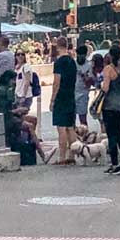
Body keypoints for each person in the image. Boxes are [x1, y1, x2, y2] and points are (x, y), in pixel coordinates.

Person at [101, 43, 120, 174]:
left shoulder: (108, 69)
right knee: (119, 133)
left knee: (111, 134)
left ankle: (115, 164)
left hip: (110, 105)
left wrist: (102, 84)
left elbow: (106, 88)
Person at [49, 36, 78, 165]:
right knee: (70, 127)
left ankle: (62, 157)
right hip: (71, 94)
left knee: (61, 127)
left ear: (57, 46)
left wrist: (52, 99)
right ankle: (73, 154)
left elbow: (56, 82)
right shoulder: (72, 61)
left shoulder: (59, 62)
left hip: (61, 96)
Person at [74, 45, 92, 125]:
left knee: (83, 119)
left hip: (83, 94)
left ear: (85, 55)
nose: (80, 57)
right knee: (71, 120)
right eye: (78, 55)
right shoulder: (73, 63)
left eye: (82, 55)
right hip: (72, 93)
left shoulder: (89, 65)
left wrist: (84, 76)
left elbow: (90, 83)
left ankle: (85, 135)